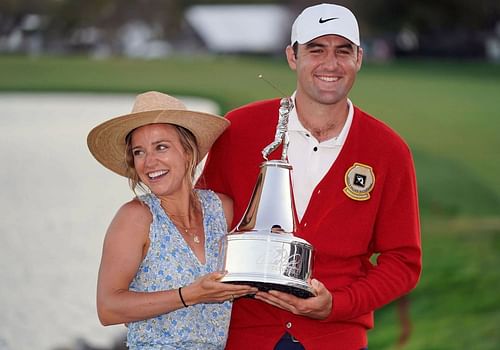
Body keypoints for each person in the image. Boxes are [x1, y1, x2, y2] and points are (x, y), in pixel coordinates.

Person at [198, 3, 422, 349]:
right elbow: (201, 224)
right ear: (292, 56)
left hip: (336, 338)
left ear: (358, 59)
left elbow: (403, 261)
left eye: (342, 51)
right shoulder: (239, 129)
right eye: (316, 50)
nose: (330, 63)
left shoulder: (388, 150)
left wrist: (339, 304)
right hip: (244, 335)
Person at [87, 91, 257, 349]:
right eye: (139, 152)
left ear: (188, 152)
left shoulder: (222, 209)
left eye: (161, 147)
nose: (150, 162)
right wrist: (190, 295)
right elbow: (108, 308)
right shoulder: (136, 218)